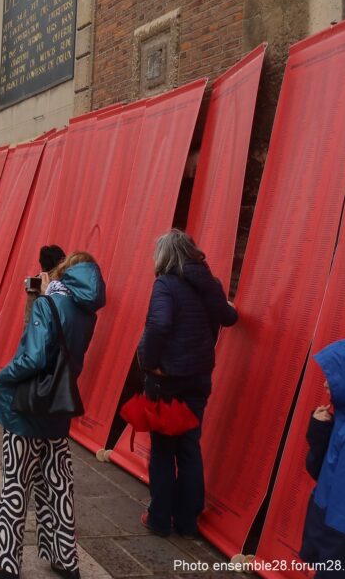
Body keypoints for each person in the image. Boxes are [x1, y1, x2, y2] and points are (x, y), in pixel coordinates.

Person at [0, 252, 106, 579]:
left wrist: (4, 374)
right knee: (58, 484)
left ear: (61, 273)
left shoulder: (48, 305)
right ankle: (64, 557)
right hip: (57, 408)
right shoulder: (87, 313)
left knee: (16, 484)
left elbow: (33, 358)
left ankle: (4, 560)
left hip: (28, 407)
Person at [137, 229, 237, 538]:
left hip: (168, 381)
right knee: (190, 447)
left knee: (164, 449)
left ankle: (159, 518)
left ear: (165, 256)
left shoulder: (165, 284)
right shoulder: (209, 284)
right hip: (198, 377)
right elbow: (228, 318)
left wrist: (149, 362)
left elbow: (160, 324)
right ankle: (187, 520)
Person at [300, 338, 345, 578]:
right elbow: (322, 474)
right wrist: (319, 434)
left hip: (342, 555)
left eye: (333, 376)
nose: (324, 383)